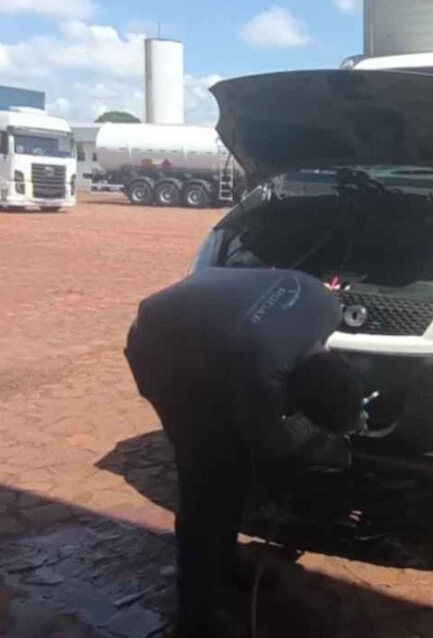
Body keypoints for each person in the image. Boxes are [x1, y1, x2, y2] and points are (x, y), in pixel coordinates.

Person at [124, 267, 365, 637]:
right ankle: (196, 618)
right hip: (161, 352)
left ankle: (223, 561)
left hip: (208, 314)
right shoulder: (263, 373)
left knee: (234, 465)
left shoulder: (325, 306)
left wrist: (331, 416)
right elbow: (271, 442)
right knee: (206, 480)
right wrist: (313, 430)